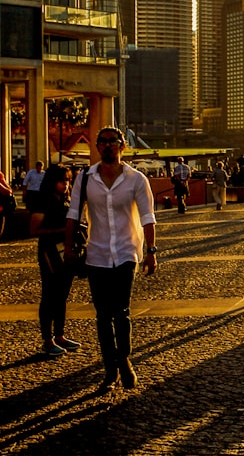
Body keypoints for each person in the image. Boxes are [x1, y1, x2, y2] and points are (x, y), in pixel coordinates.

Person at [65, 126, 156, 392]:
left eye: (112, 142)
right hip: (97, 253)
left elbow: (148, 217)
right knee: (103, 315)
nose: (107, 146)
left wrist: (151, 251)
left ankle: (124, 359)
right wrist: (69, 250)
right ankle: (109, 369)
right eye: (102, 142)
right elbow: (73, 214)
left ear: (122, 146)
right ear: (97, 146)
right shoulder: (85, 178)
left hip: (127, 252)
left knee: (122, 312)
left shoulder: (136, 179)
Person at [31, 164, 80, 357]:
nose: (66, 184)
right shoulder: (43, 201)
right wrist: (64, 231)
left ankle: (60, 335)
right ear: (52, 182)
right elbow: (34, 230)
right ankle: (47, 339)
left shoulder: (65, 200)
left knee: (62, 295)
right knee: (50, 295)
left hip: (66, 251)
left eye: (68, 180)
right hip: (49, 251)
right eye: (62, 181)